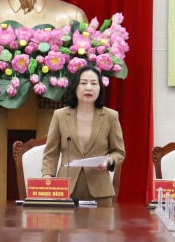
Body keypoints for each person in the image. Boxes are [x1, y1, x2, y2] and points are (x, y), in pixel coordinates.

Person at [41, 66, 126, 207]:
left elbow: (119, 152)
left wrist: (109, 161)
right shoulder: (60, 115)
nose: (89, 88)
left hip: (100, 192)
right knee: (65, 228)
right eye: (83, 83)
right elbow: (51, 153)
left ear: (100, 88)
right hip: (66, 190)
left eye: (94, 83)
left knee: (100, 229)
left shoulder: (111, 116)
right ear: (75, 87)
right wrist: (47, 178)